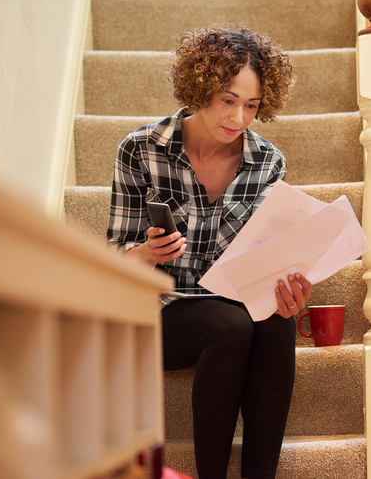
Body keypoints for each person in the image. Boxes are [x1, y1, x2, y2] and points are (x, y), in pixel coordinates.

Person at [107, 26, 311, 479]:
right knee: (229, 323)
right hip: (156, 310)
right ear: (200, 87)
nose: (239, 117)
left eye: (252, 105)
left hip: (231, 301)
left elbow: (268, 252)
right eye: (227, 99)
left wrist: (289, 287)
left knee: (276, 323)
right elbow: (112, 261)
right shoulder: (141, 150)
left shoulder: (268, 163)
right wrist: (145, 253)